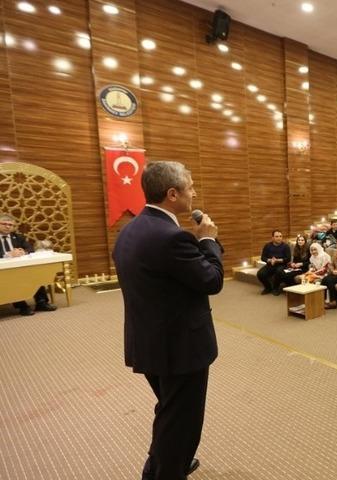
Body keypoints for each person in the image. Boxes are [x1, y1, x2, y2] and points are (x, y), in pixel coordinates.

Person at [112, 161, 223, 480]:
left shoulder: (130, 230)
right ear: (172, 194)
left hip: (148, 341)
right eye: (190, 187)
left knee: (170, 412)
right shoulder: (172, 238)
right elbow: (212, 281)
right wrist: (207, 241)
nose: (195, 192)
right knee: (182, 421)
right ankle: (163, 471)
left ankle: (166, 462)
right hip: (180, 348)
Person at [0, 214, 57, 315]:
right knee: (12, 278)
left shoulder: (18, 237)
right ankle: (22, 306)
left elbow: (30, 248)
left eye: (10, 225)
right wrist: (7, 254)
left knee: (34, 274)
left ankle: (41, 302)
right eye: (4, 224)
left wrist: (23, 252)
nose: (8, 226)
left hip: (19, 266)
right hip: (3, 269)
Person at [256, 229, 290, 295]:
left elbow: (288, 259)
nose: (279, 238)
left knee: (279, 271)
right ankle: (268, 287)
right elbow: (263, 257)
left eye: (280, 236)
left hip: (282, 265)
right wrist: (270, 260)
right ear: (272, 238)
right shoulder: (267, 246)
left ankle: (276, 288)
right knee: (260, 273)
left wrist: (277, 260)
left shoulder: (286, 246)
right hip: (270, 264)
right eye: (277, 236)